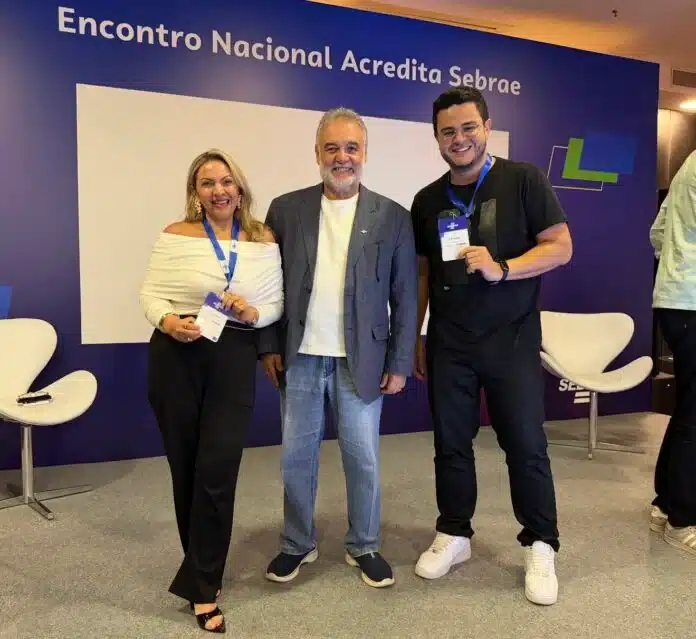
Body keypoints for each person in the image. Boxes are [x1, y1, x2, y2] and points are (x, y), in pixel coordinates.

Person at [410, 87, 572, 605]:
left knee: (524, 445)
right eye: (448, 132)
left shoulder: (524, 179)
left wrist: (503, 268)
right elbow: (423, 273)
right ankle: (454, 532)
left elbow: (560, 247)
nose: (459, 139)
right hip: (450, 342)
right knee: (450, 443)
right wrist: (415, 334)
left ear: (487, 127)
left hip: (512, 338)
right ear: (437, 138)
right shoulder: (427, 200)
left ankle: (541, 542)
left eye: (468, 128)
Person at [258, 107, 417, 588]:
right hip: (301, 356)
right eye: (332, 148)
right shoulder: (285, 210)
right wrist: (267, 345)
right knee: (295, 459)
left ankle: (364, 544)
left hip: (363, 360)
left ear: (365, 153)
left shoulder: (393, 216)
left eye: (351, 148)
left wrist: (400, 361)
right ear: (317, 153)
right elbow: (267, 285)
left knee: (362, 458)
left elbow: (405, 295)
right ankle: (296, 543)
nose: (342, 157)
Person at [140, 149, 282, 632]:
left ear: (239, 188)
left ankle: (202, 584)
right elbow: (150, 293)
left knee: (217, 468)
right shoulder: (175, 234)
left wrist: (253, 314)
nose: (218, 190)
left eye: (226, 181)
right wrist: (167, 320)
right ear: (195, 192)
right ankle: (203, 574)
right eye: (207, 183)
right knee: (185, 468)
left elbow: (276, 303)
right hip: (175, 354)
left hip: (233, 354)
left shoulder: (262, 239)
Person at [648, 149, 696, 556]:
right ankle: (683, 518)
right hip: (692, 303)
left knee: (687, 408)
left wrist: (679, 264)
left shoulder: (690, 162)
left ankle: (665, 504)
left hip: (676, 300)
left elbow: (658, 231)